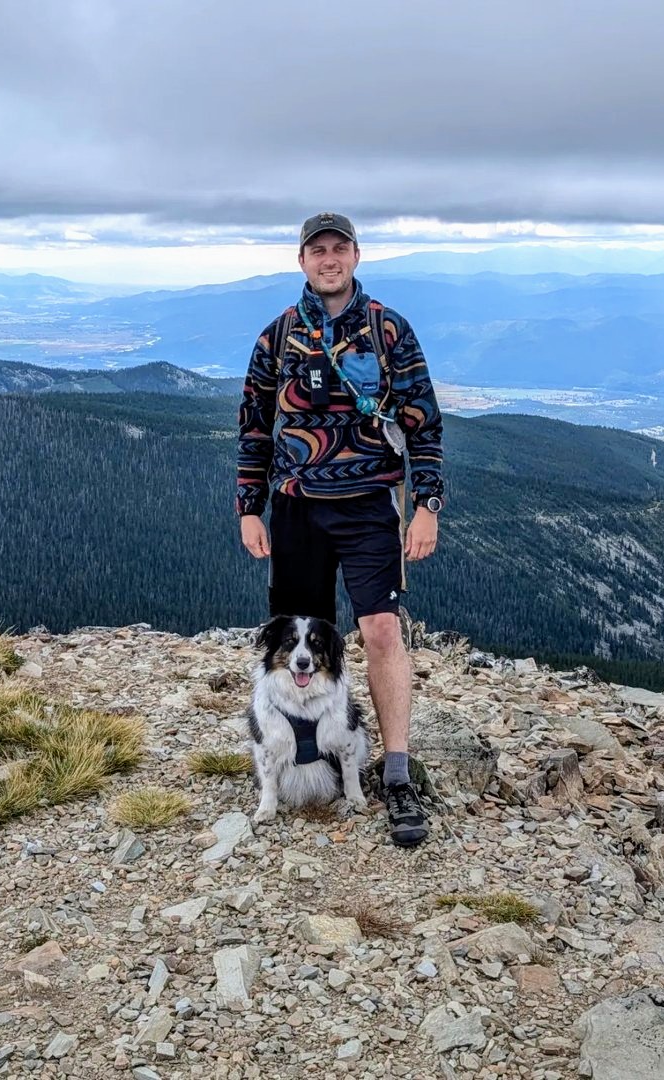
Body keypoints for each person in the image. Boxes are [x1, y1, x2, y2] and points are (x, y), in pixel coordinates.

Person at [236, 211, 445, 847]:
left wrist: (427, 504)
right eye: (317, 250)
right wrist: (250, 505)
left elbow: (423, 423)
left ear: (356, 255)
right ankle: (297, 754)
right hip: (297, 507)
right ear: (302, 260)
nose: (329, 259)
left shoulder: (389, 330)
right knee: (300, 642)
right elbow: (253, 424)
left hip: (369, 507)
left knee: (381, 629)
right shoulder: (279, 337)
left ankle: (398, 773)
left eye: (339, 248)